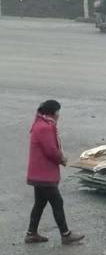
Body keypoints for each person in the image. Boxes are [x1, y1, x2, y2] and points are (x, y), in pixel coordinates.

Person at [25, 100, 84, 244]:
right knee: (57, 202)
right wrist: (62, 159)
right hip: (44, 174)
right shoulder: (45, 128)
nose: (59, 115)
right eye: (58, 112)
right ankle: (65, 234)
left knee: (40, 203)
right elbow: (51, 150)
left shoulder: (39, 124)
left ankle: (31, 233)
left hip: (37, 173)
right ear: (53, 112)